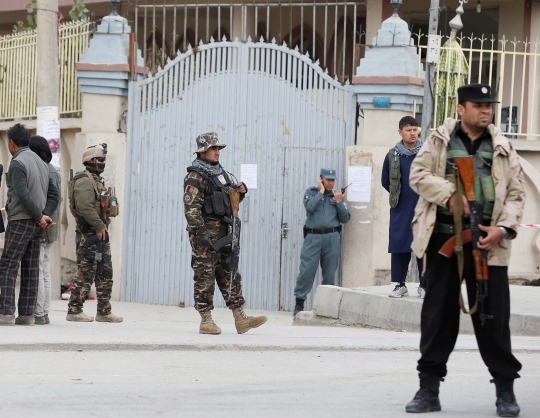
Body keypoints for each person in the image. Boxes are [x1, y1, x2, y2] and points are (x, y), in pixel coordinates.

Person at [405, 83, 524, 417]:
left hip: (490, 248)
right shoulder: (440, 140)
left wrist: (502, 229)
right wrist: (449, 195)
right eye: (478, 105)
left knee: (494, 321)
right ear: (461, 108)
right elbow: (418, 174)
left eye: (489, 106)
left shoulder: (501, 145)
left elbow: (516, 194)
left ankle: (505, 391)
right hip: (444, 246)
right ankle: (428, 390)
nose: (485, 110)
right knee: (437, 319)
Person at [184, 132, 267, 335]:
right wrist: (202, 235)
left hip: (224, 234)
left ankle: (240, 317)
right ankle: (206, 320)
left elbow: (230, 202)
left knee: (230, 274)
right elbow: (191, 209)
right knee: (205, 277)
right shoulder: (195, 176)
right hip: (206, 237)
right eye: (213, 149)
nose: (217, 152)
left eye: (218, 149)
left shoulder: (222, 174)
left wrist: (241, 193)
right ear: (202, 152)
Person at [0, 123, 60, 326]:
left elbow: (22, 194)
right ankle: (27, 315)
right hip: (37, 226)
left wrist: (38, 216)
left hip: (20, 221)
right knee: (31, 268)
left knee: (8, 266)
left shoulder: (17, 162)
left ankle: (6, 313)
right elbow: (55, 194)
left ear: (12, 144)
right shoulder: (42, 163)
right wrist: (45, 215)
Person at [66, 144, 122, 323]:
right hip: (89, 235)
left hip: (100, 233)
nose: (103, 162)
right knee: (86, 272)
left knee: (105, 272)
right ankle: (74, 310)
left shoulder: (96, 180)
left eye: (104, 159)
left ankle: (104, 311)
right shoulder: (84, 181)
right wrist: (98, 226)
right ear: (89, 161)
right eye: (100, 160)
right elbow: (85, 207)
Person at [293, 168, 351, 316]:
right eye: (328, 180)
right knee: (306, 271)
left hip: (332, 238)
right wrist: (320, 192)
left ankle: (325, 307)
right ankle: (299, 303)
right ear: (321, 179)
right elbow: (309, 207)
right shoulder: (311, 193)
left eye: (333, 180)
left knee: (330, 273)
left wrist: (339, 202)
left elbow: (345, 219)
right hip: (313, 238)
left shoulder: (337, 196)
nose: (331, 183)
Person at [381, 116, 425, 299]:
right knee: (400, 244)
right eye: (409, 129)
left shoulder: (427, 153)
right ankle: (400, 285)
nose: (413, 133)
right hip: (400, 208)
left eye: (415, 129)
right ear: (400, 132)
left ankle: (425, 285)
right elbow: (385, 181)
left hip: (423, 208)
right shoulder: (393, 155)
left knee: (424, 245)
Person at [29, 135, 61, 325]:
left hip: (43, 224)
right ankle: (45, 312)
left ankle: (39, 312)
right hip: (52, 227)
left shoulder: (41, 171)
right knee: (45, 270)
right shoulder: (53, 170)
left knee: (39, 270)